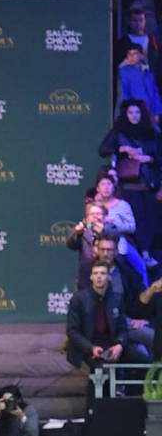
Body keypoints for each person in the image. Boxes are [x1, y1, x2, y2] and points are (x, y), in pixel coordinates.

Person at [100, 99, 162, 266]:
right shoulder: (119, 132)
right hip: (127, 185)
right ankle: (129, 254)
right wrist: (121, 149)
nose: (134, 116)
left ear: (142, 114)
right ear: (125, 114)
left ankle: (146, 254)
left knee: (148, 221)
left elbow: (159, 158)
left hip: (148, 184)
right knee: (130, 221)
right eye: (130, 112)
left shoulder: (152, 133)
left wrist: (146, 157)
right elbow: (102, 150)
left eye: (137, 112)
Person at [65, 259, 151, 373]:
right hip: (88, 347)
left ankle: (133, 391)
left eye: (103, 273)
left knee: (145, 363)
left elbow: (122, 328)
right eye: (95, 273)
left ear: (109, 277)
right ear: (91, 277)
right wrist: (91, 348)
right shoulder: (79, 299)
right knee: (103, 370)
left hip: (112, 346)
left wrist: (119, 345)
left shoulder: (117, 298)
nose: (99, 277)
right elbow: (72, 331)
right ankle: (101, 390)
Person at [67, 201, 117, 290]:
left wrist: (103, 231)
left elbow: (115, 239)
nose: (95, 216)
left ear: (105, 217)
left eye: (98, 213)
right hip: (86, 275)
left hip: (108, 275)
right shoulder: (83, 230)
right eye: (92, 214)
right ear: (86, 218)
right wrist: (77, 233)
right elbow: (71, 245)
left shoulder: (111, 228)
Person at [117, 41, 162, 125]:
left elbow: (156, 93)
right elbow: (124, 93)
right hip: (135, 114)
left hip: (150, 113)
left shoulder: (148, 73)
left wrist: (157, 112)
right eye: (129, 54)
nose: (131, 56)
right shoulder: (124, 71)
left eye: (135, 54)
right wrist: (126, 113)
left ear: (141, 55)